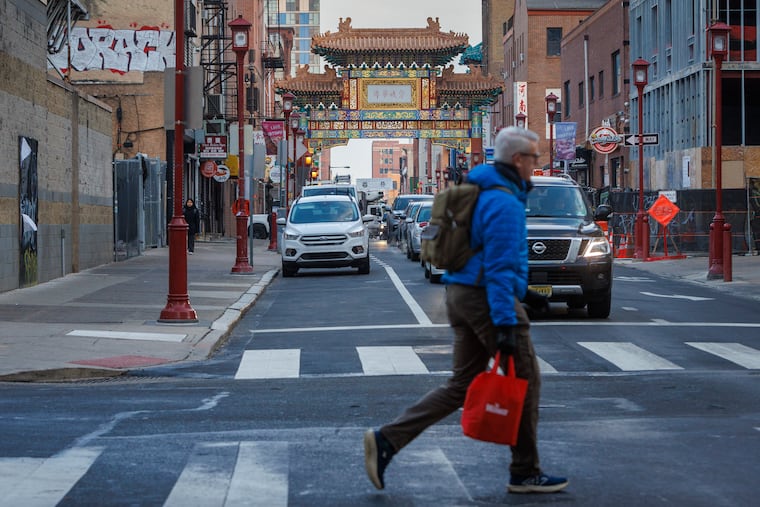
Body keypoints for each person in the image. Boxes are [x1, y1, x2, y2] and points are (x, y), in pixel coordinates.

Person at [363, 126, 568, 494]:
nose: (535, 165)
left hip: (460, 292)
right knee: (525, 380)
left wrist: (528, 294)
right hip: (486, 299)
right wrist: (506, 321)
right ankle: (524, 471)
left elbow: (486, 255)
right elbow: (500, 266)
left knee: (462, 383)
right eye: (534, 158)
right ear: (518, 160)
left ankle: (387, 440)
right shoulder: (504, 201)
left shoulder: (478, 191)